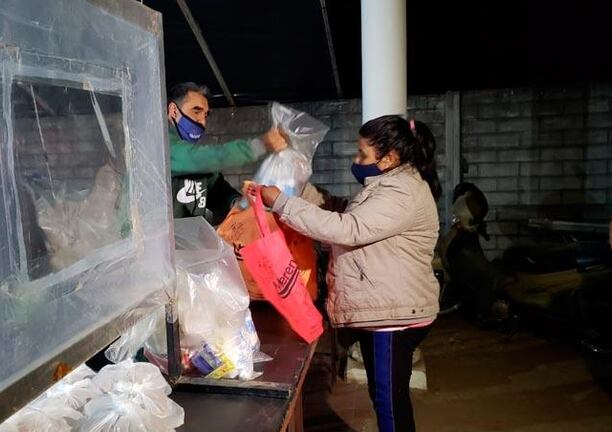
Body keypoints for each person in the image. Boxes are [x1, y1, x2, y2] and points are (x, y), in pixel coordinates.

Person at [246, 115, 441, 432]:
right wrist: (301, 188)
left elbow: (347, 229)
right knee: (386, 399)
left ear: (389, 158)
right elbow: (343, 210)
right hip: (387, 309)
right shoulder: (388, 186)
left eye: (363, 154)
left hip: (393, 317)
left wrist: (281, 202)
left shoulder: (401, 193)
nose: (356, 159)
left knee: (390, 402)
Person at [168, 82, 287, 224]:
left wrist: (239, 203)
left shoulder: (197, 164)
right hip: (157, 244)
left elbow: (219, 193)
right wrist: (260, 145)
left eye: (206, 115)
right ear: (173, 110)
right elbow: (203, 158)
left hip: (188, 243)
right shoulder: (162, 148)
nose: (202, 122)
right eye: (196, 111)